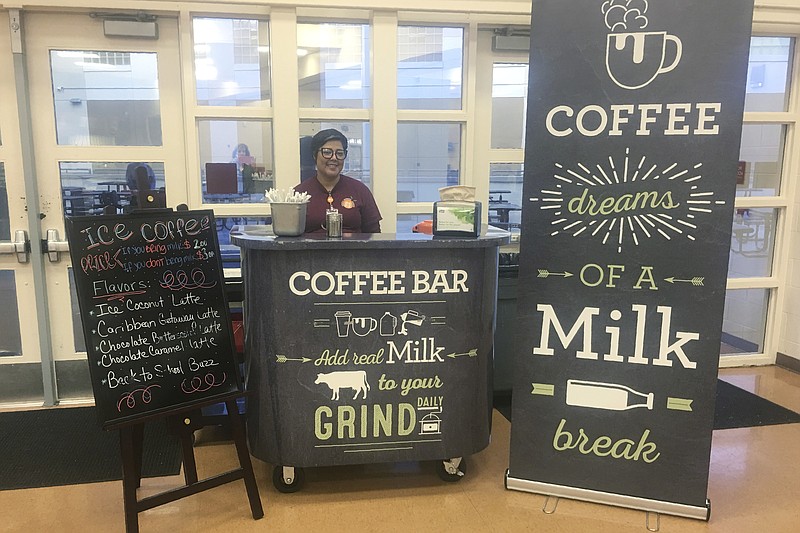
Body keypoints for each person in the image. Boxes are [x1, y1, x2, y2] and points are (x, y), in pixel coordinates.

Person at [294, 128, 382, 234]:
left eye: (339, 153)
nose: (334, 158)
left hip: (355, 250)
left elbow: (374, 235)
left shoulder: (360, 190)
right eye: (327, 152)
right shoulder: (299, 194)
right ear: (314, 155)